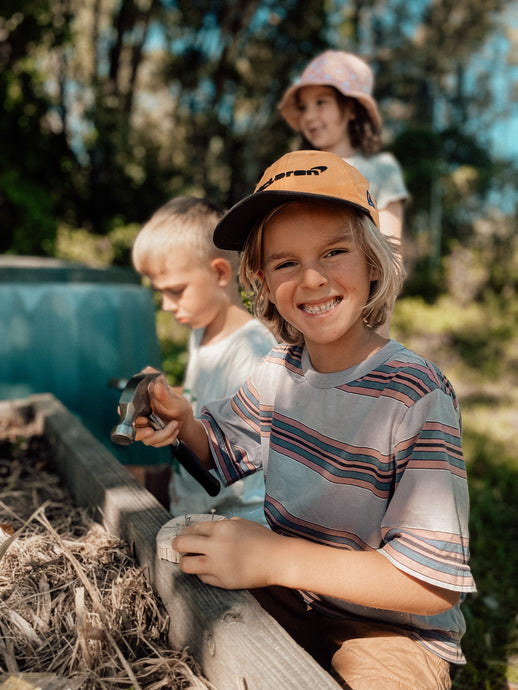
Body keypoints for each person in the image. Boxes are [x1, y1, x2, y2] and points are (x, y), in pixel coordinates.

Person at [134, 152, 475, 689]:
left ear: (371, 260)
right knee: (178, 588)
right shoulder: (277, 371)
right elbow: (219, 451)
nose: (312, 278)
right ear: (262, 280)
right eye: (285, 263)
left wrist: (275, 558)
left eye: (334, 252)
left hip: (391, 631)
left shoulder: (415, 392)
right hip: (294, 593)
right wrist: (184, 423)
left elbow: (432, 584)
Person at [131, 195, 276, 523]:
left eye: (176, 291)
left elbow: (244, 457)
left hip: (236, 521)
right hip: (196, 506)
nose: (167, 305)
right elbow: (208, 398)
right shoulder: (203, 329)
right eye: (160, 293)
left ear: (220, 273)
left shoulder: (252, 353)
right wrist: (167, 399)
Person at [277, 50, 408, 248]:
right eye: (303, 107)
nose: (309, 116)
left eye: (321, 102)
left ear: (352, 109)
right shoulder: (292, 175)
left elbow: (392, 254)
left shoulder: (381, 169)